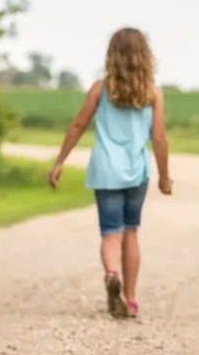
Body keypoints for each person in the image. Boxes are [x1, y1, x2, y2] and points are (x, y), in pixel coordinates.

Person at [48, 28, 172, 319]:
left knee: (110, 232)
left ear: (111, 56)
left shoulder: (100, 89)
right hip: (136, 172)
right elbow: (159, 138)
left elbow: (78, 125)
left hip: (105, 170)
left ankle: (111, 274)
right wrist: (165, 177)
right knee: (131, 231)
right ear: (146, 56)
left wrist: (59, 161)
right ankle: (129, 298)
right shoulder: (153, 93)